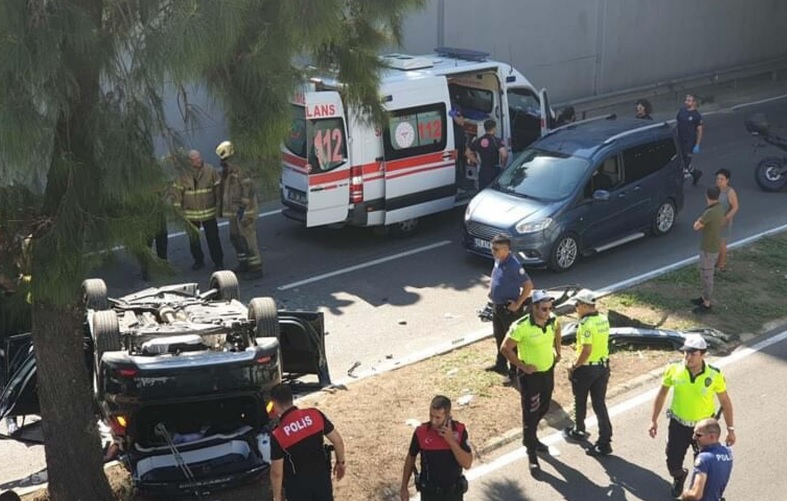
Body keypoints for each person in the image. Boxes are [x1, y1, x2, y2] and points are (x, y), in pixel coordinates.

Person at [648, 334, 735, 499]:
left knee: (703, 467)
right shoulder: (673, 369)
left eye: (693, 354)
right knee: (672, 462)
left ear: (703, 354)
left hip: (703, 428)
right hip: (678, 425)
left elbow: (725, 402)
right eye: (685, 353)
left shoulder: (714, 375)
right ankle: (679, 476)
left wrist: (730, 429)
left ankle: (700, 495)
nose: (688, 357)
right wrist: (653, 420)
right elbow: (661, 394)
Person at [500, 289, 562, 476]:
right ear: (534, 307)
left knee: (543, 407)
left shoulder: (552, 320)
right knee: (530, 413)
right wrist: (522, 366)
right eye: (543, 309)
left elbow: (558, 330)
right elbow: (505, 348)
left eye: (550, 308)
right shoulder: (521, 326)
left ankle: (532, 437)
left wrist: (558, 351)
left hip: (547, 372)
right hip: (530, 378)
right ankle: (531, 452)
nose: (547, 312)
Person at [269, 383, 346, 501]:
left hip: (297, 486)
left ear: (275, 405)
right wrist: (340, 463)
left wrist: (277, 496)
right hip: (322, 478)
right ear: (291, 398)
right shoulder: (315, 414)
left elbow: (277, 472)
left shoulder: (278, 434)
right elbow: (338, 441)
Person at [563, 289, 613, 457]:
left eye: (577, 305)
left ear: (585, 305)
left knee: (580, 400)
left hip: (586, 369)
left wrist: (574, 365)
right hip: (603, 367)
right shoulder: (603, 319)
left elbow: (586, 350)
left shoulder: (585, 325)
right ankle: (605, 441)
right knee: (599, 404)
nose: (576, 308)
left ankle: (579, 430)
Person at [400, 395, 472, 501]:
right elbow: (410, 458)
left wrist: (451, 441)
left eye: (438, 417)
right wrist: (404, 487)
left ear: (447, 415)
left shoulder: (460, 431)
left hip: (453, 495)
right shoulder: (421, 432)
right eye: (431, 415)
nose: (433, 421)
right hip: (429, 494)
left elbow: (467, 464)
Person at [486, 234, 534, 380]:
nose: (493, 251)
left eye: (496, 249)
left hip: (509, 310)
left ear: (506, 249)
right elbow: (496, 276)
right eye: (492, 248)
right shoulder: (498, 260)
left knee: (511, 342)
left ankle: (514, 371)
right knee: (499, 337)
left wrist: (518, 303)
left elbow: (528, 286)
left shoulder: (514, 265)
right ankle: (501, 365)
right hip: (497, 306)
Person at [216, 141, 263, 279]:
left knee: (248, 240)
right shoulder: (228, 170)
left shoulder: (240, 169)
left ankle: (256, 269)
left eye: (224, 159)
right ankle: (243, 263)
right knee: (235, 237)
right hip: (234, 212)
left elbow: (247, 188)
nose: (222, 162)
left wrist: (243, 206)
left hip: (245, 212)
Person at [173, 149, 224, 271]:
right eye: (194, 159)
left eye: (199, 158)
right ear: (189, 161)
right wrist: (177, 210)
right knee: (194, 240)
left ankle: (218, 261)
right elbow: (177, 193)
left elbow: (218, 188)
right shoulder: (182, 174)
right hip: (190, 213)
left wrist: (220, 205)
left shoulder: (210, 170)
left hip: (209, 211)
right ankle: (198, 260)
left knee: (213, 238)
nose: (198, 161)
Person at [679, 417, 733, 501]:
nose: (694, 437)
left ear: (712, 436)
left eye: (698, 435)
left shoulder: (704, 459)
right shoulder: (727, 453)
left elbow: (696, 495)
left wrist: (685, 494)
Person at [691, 186, 725, 314]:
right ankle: (704, 297)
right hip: (713, 245)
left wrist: (699, 220)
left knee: (706, 275)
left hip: (708, 248)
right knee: (705, 273)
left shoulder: (709, 212)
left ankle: (707, 304)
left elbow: (696, 226)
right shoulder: (720, 207)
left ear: (707, 196)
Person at [468, 119, 507, 190]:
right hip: (494, 170)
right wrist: (503, 165)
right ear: (494, 128)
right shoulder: (497, 141)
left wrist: (477, 161)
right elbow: (504, 154)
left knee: (482, 191)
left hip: (483, 169)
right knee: (494, 191)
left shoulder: (478, 140)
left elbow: (467, 153)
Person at [676, 94, 704, 186]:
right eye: (686, 100)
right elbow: (677, 124)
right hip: (679, 139)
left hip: (689, 142)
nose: (686, 102)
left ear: (694, 102)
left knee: (685, 165)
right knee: (679, 160)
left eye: (689, 100)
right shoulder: (681, 111)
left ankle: (679, 186)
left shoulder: (696, 116)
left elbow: (699, 131)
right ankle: (696, 173)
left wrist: (697, 144)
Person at [714, 168, 739, 272]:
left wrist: (726, 218)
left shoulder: (730, 192)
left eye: (722, 179)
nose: (719, 181)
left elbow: (735, 207)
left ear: (727, 180)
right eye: (718, 179)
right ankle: (718, 262)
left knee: (722, 244)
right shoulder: (716, 190)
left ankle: (721, 264)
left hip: (724, 221)